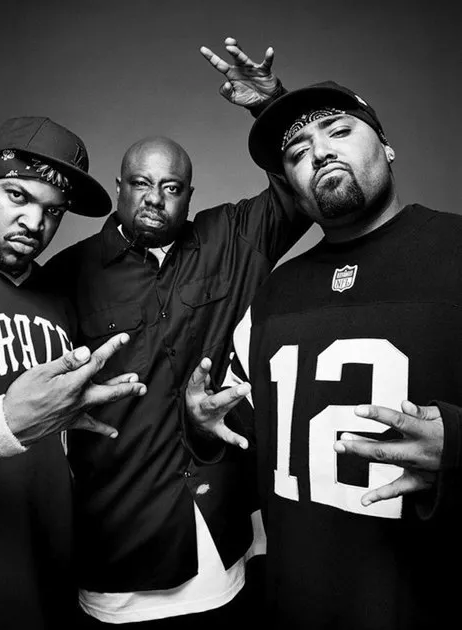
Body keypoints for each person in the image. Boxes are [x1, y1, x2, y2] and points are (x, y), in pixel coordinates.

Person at [44, 38, 309, 627]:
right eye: (141, 184)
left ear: (190, 194)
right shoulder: (66, 276)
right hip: (121, 545)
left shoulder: (232, 238)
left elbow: (300, 194)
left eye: (171, 188)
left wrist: (270, 108)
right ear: (118, 187)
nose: (154, 199)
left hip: (223, 535)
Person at [185, 79, 462, 629]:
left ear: (387, 146)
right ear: (290, 185)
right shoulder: (273, 293)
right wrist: (204, 423)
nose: (320, 152)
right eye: (297, 152)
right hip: (296, 602)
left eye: (339, 131)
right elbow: (247, 434)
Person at [0, 116, 147, 630]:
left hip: (45, 578)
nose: (34, 222)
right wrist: (5, 422)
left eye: (52, 210)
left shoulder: (56, 295)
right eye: (17, 196)